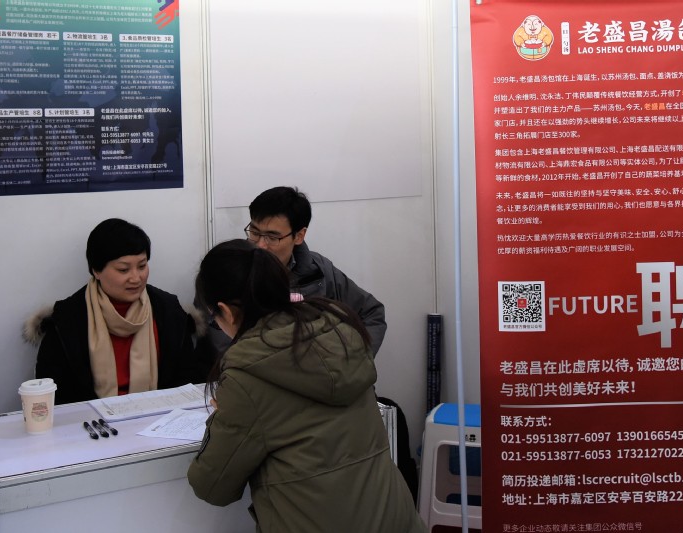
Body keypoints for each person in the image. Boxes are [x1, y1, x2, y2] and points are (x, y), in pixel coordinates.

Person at [187, 240, 425, 533]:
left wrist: (221, 415)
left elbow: (211, 486)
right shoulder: (340, 333)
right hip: (397, 521)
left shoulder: (247, 376)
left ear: (226, 311)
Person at [23, 218, 211, 405]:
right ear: (96, 271)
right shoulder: (66, 321)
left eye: (142, 266)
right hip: (91, 420)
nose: (136, 278)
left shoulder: (169, 312)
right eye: (123, 269)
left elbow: (187, 382)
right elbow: (54, 394)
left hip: (159, 416)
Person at [245, 186, 387, 354]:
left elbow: (371, 313)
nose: (260, 245)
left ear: (299, 236)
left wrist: (353, 362)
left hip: (314, 368)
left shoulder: (319, 271)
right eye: (254, 232)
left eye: (272, 237)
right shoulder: (234, 269)